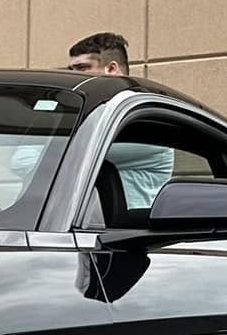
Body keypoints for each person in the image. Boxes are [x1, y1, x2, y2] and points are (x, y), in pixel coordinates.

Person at [63, 31, 175, 210]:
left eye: (82, 68)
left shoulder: (146, 117)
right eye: (72, 70)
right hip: (82, 227)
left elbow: (68, 156)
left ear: (112, 69)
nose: (74, 76)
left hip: (132, 230)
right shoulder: (90, 116)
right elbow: (22, 161)